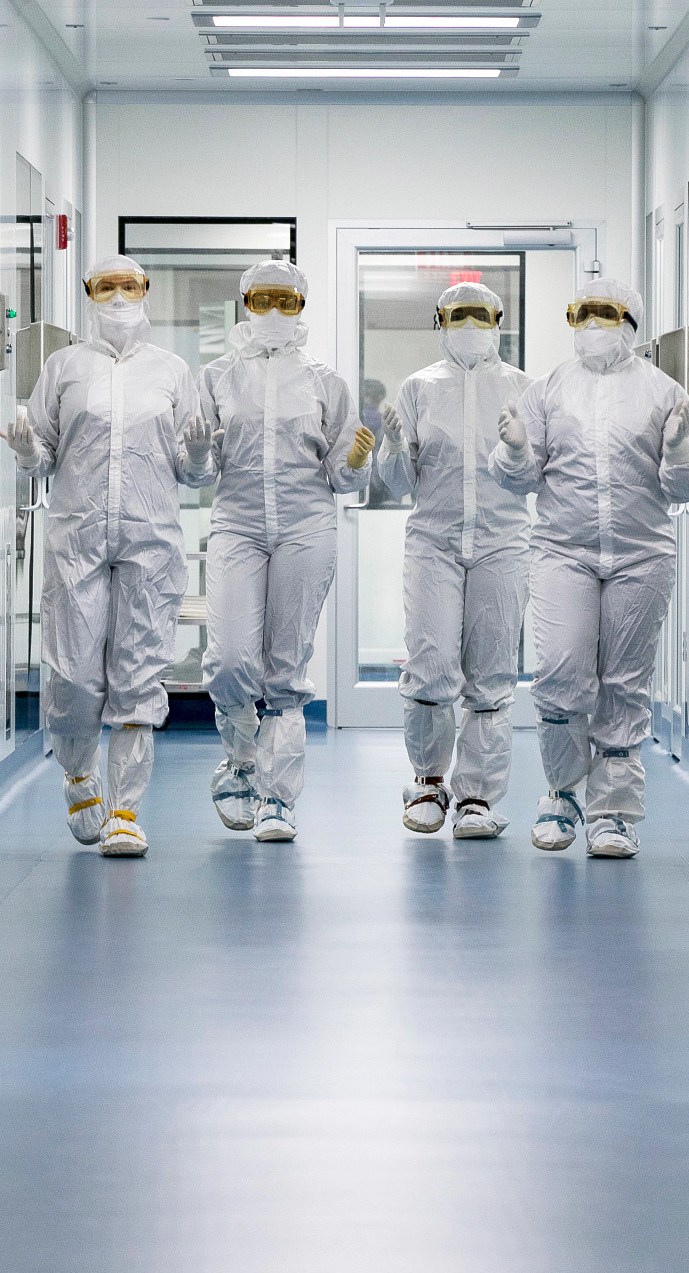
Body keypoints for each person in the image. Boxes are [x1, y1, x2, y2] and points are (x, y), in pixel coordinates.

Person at [492, 278, 689, 858]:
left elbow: (686, 487)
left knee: (623, 684)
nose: (591, 325)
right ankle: (561, 795)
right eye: (581, 314)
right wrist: (515, 449)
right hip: (563, 551)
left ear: (631, 324)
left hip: (641, 555)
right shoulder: (547, 392)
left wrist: (679, 450)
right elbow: (519, 481)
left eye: (605, 313)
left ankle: (613, 813)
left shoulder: (666, 393)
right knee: (561, 673)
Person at [5, 255, 214, 857]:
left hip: (150, 539)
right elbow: (44, 448)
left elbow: (189, 466)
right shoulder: (64, 366)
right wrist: (25, 452)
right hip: (77, 537)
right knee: (73, 674)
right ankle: (77, 774)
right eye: (106, 287)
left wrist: (199, 457)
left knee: (140, 671)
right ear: (88, 294)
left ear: (146, 290)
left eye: (129, 286)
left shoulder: (172, 372)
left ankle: (125, 810)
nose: (119, 297)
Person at [198, 260, 375, 842]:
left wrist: (353, 464)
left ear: (303, 307)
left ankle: (278, 798)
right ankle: (241, 760)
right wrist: (198, 449)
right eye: (262, 300)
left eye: (287, 302)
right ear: (244, 302)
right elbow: (197, 469)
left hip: (306, 524)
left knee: (286, 666)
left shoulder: (326, 381)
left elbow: (341, 477)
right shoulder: (218, 376)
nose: (273, 313)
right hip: (238, 522)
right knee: (228, 660)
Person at [377, 281, 530, 839]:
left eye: (480, 314)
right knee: (431, 662)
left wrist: (517, 449)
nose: (469, 325)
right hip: (434, 544)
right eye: (457, 315)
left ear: (498, 320)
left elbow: (533, 475)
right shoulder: (419, 388)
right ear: (438, 321)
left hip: (503, 541)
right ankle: (427, 780)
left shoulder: (521, 388)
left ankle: (479, 798)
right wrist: (394, 448)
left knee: (491, 673)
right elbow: (400, 485)